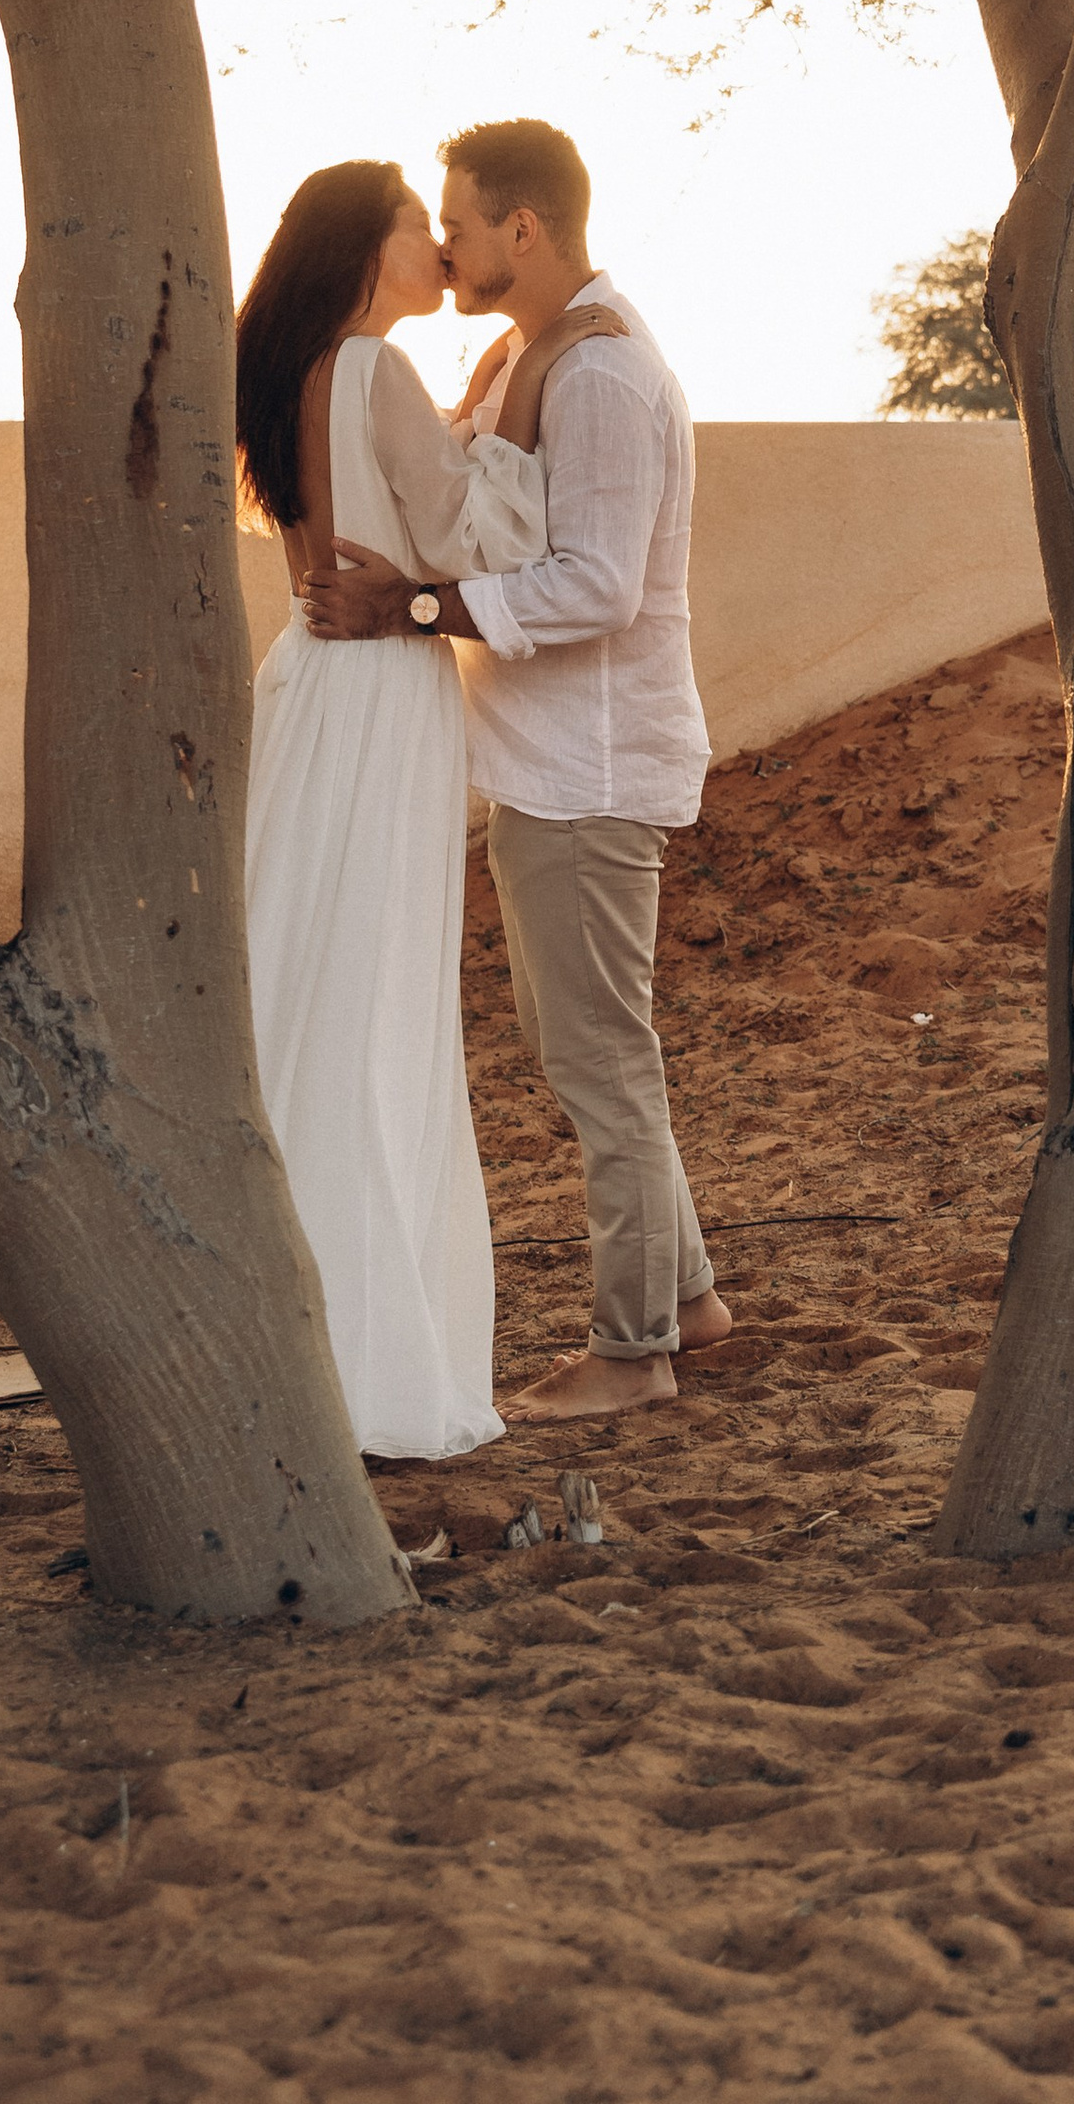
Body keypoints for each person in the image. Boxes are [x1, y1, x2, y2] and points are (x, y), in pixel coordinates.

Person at [308, 120, 732, 1422]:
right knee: (581, 1041)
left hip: (590, 769)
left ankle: (634, 1347)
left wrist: (417, 613)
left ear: (524, 229)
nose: (445, 240)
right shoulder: (519, 353)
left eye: (462, 218)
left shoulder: (597, 375)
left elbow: (599, 584)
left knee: (604, 1060)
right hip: (549, 759)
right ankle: (695, 1300)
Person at [237, 159, 620, 1460]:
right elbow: (477, 539)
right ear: (367, 249)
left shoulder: (300, 371)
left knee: (308, 981)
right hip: (380, 690)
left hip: (307, 674)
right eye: (419, 225)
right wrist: (508, 446)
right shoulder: (375, 369)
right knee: (375, 1011)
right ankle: (368, 1355)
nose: (439, 248)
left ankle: (279, 1337)